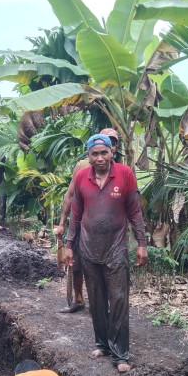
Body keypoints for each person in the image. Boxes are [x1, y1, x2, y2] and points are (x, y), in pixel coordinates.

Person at [64, 134, 147, 373]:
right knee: (96, 299)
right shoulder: (81, 177)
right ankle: (102, 344)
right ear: (88, 156)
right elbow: (76, 214)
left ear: (112, 152)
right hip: (89, 249)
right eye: (94, 154)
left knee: (119, 299)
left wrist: (141, 243)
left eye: (104, 152)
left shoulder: (125, 174)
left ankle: (121, 354)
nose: (100, 158)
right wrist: (70, 245)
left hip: (116, 249)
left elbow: (135, 210)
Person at [53, 128, 121, 314]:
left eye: (112, 142)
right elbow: (70, 194)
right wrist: (61, 222)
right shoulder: (82, 167)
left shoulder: (121, 170)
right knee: (76, 263)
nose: (109, 146)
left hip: (107, 230)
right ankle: (78, 299)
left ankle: (101, 303)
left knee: (105, 266)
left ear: (114, 147)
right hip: (82, 223)